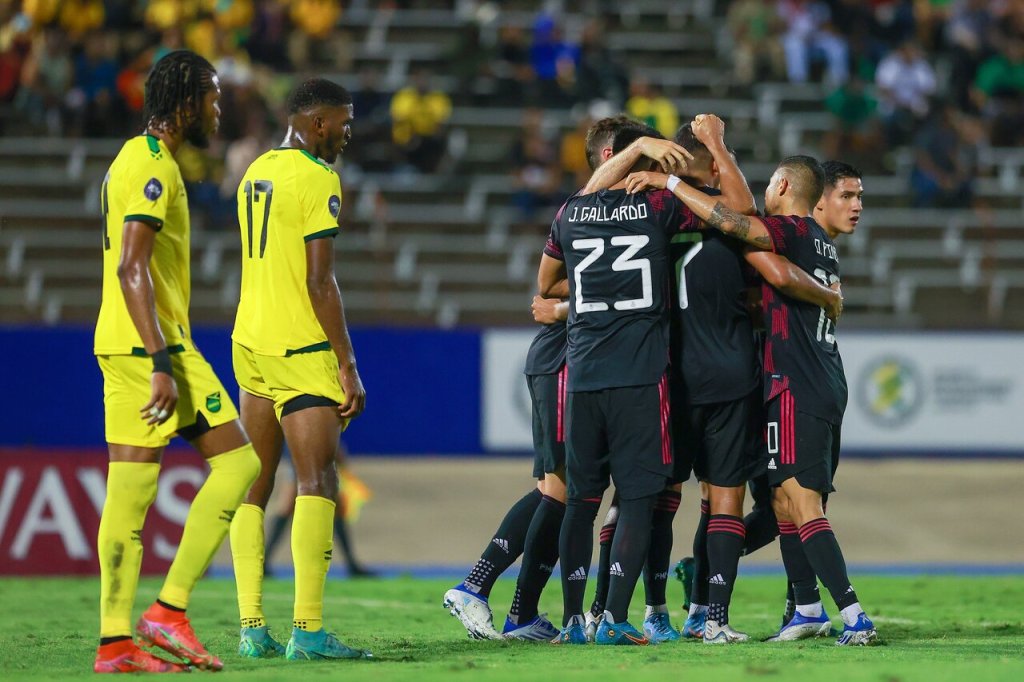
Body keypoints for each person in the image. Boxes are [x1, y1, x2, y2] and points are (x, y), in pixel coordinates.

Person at [581, 115, 842, 644]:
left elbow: (583, 207)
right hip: (730, 374)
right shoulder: (719, 219)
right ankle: (710, 615)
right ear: (702, 162)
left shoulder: (651, 214)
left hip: (662, 375)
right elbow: (744, 214)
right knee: (723, 500)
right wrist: (717, 146)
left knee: (649, 498)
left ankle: (640, 610)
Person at [441, 116, 687, 642]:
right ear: (611, 160)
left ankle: (524, 613)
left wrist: (572, 304)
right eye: (645, 159)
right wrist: (572, 307)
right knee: (559, 489)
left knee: (569, 490)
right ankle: (479, 587)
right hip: (564, 360)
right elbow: (545, 288)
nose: (653, 169)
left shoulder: (582, 214)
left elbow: (556, 286)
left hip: (576, 356)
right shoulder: (617, 210)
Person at [626, 154, 879, 646]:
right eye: (849, 195)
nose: (856, 206)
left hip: (794, 385)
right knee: (784, 501)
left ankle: (853, 614)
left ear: (782, 184)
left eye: (858, 197)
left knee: (802, 502)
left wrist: (673, 185)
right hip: (824, 380)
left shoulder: (791, 231)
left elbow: (738, 229)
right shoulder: (823, 246)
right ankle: (804, 607)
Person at [93, 50, 262, 674]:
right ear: (187, 101)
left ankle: (115, 644)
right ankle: (169, 610)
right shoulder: (153, 167)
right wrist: (163, 358)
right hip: (154, 346)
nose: (219, 109)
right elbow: (131, 265)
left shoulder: (130, 159)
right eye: (214, 98)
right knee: (240, 462)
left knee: (129, 496)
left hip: (122, 340)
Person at [228, 78, 370, 662]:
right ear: (316, 124)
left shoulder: (255, 170)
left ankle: (251, 627)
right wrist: (348, 363)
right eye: (342, 122)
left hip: (249, 342)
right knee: (318, 483)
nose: (347, 132)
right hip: (299, 348)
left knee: (255, 484)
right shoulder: (318, 178)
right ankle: (308, 632)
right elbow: (319, 281)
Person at [539, 125, 691, 646]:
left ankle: (574, 621)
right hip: (640, 376)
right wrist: (659, 172)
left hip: (583, 376)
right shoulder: (657, 210)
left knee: (580, 501)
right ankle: (617, 619)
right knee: (639, 499)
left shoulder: (571, 213)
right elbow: (721, 207)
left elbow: (544, 284)